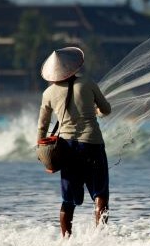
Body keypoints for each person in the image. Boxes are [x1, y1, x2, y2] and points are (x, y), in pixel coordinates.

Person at [36, 47, 112, 238]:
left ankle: (66, 240)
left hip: (67, 148)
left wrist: (41, 150)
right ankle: (100, 238)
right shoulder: (87, 83)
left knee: (67, 200)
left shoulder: (48, 93)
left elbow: (42, 126)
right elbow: (106, 109)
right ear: (72, 67)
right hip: (93, 143)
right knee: (100, 193)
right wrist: (95, 111)